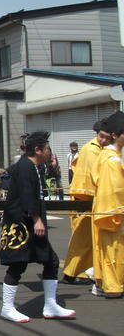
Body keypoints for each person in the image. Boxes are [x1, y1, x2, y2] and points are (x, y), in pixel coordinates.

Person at [0, 131, 75, 322]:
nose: (50, 152)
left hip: (31, 223)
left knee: (51, 261)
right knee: (18, 265)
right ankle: (7, 307)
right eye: (47, 149)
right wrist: (36, 219)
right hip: (21, 225)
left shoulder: (35, 166)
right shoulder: (25, 167)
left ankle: (50, 305)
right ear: (38, 150)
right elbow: (26, 195)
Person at [61, 119, 110, 285]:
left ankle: (80, 271)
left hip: (89, 198)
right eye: (101, 136)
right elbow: (100, 176)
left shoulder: (94, 148)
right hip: (86, 199)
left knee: (87, 240)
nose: (104, 140)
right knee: (83, 239)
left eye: (107, 137)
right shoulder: (92, 150)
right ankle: (72, 272)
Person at [90, 111, 124, 298]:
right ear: (115, 135)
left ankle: (108, 284)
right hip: (112, 211)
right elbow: (115, 191)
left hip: (107, 209)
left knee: (111, 250)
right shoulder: (110, 159)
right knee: (113, 251)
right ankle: (113, 287)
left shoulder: (108, 155)